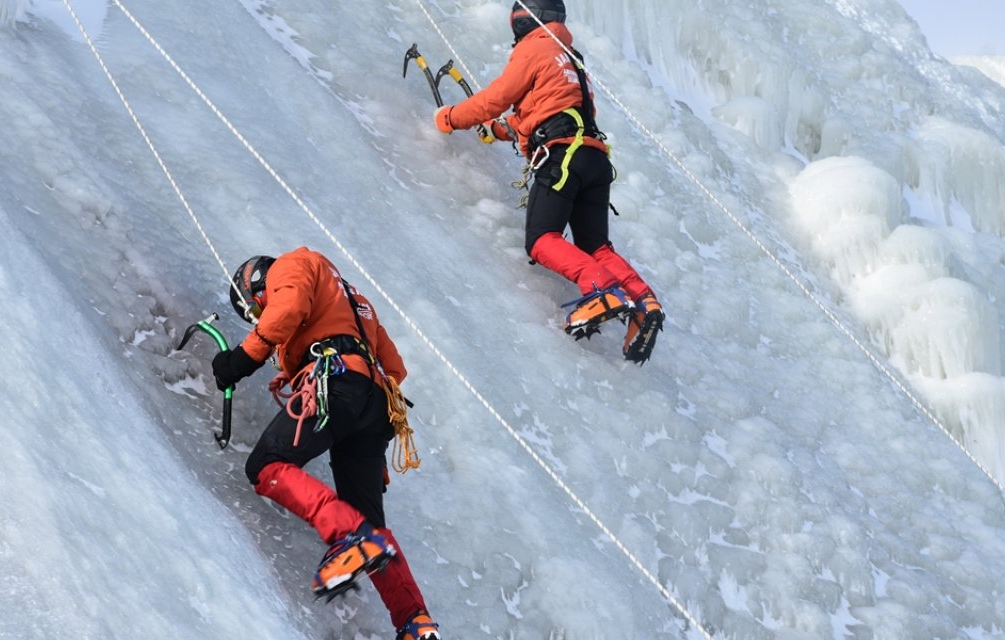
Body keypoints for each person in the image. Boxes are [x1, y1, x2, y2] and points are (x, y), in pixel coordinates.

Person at [211, 248, 440, 640]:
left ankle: (347, 537)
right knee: (367, 520)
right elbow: (395, 367)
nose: (257, 318)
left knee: (267, 464)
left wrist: (240, 360)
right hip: (374, 403)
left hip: (336, 384)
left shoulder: (293, 264)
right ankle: (414, 621)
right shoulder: (354, 302)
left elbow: (288, 308)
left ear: (255, 287)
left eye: (254, 310)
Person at [432, 0, 665, 364]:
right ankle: (643, 301)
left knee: (541, 239)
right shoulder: (570, 57)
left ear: (522, 20)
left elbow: (496, 98)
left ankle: (599, 288)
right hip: (592, 156)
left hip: (561, 158)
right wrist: (502, 130)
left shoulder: (534, 47)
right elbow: (549, 108)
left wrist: (449, 118)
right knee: (595, 245)